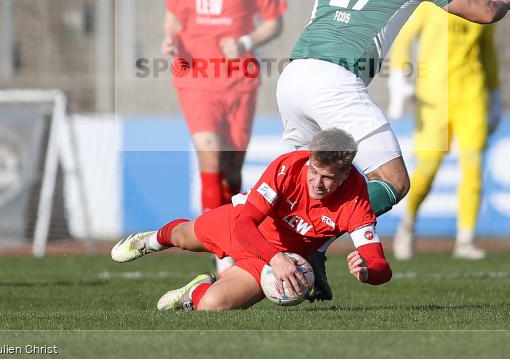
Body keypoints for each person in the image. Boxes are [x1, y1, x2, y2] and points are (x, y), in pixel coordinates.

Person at [263, 0, 510, 299]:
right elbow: (483, 13)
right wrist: (501, 1)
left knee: (292, 178)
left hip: (294, 74)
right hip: (336, 82)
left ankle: (251, 252)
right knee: (394, 181)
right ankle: (310, 244)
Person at [111, 128, 392, 311]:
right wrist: (276, 258)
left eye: (328, 178)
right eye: (314, 172)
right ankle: (149, 240)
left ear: (344, 176)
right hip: (244, 226)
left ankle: (194, 291)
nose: (317, 183)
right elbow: (244, 224)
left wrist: (367, 271)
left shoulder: (356, 201)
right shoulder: (288, 167)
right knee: (181, 237)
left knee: (212, 306)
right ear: (309, 160)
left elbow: (381, 266)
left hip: (273, 259)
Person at [163, 0, 287, 271]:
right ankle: (221, 253)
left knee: (232, 172)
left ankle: (234, 232)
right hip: (195, 76)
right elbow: (173, 19)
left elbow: (274, 21)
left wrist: (246, 42)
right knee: (209, 155)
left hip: (239, 80)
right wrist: (169, 41)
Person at [388, 0, 501, 261]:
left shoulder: (482, 0)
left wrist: (495, 93)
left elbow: (488, 53)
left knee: (473, 165)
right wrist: (399, 78)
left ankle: (465, 239)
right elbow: (404, 38)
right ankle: (407, 225)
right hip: (433, 98)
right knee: (429, 167)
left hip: (472, 96)